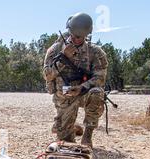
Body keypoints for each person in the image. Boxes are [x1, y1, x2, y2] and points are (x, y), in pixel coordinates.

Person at [44, 12, 109, 148]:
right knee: (66, 143)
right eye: (73, 35)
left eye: (80, 37)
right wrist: (63, 57)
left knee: (97, 92)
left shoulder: (95, 52)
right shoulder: (55, 50)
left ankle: (87, 134)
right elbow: (47, 75)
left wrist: (82, 87)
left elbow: (100, 77)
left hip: (84, 94)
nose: (76, 39)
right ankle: (69, 128)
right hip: (64, 98)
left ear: (87, 34)